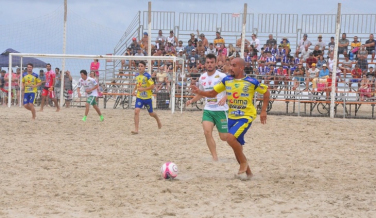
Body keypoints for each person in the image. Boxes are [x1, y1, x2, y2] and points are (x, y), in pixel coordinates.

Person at [190, 57, 270, 178]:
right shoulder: (227, 80)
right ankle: (249, 174)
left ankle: (243, 162)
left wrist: (263, 111)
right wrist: (199, 92)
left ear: (241, 68)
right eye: (230, 65)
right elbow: (212, 94)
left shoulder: (251, 81)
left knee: (230, 138)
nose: (230, 68)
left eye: (233, 65)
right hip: (231, 116)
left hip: (246, 116)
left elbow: (266, 93)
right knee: (236, 146)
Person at [186, 54, 228, 161]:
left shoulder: (222, 76)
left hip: (221, 110)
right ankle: (215, 157)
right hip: (208, 110)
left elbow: (232, 89)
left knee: (224, 137)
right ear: (205, 64)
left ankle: (238, 142)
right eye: (208, 62)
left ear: (215, 63)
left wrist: (225, 97)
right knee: (207, 132)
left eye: (211, 62)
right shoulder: (202, 77)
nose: (209, 64)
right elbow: (201, 93)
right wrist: (191, 100)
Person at [131, 61, 162, 134]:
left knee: (151, 114)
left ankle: (158, 120)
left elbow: (152, 86)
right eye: (139, 66)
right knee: (136, 111)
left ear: (144, 67)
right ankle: (136, 130)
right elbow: (137, 84)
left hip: (147, 98)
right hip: (139, 97)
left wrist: (143, 89)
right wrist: (134, 90)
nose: (140, 67)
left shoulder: (147, 76)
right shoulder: (137, 75)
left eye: (141, 66)